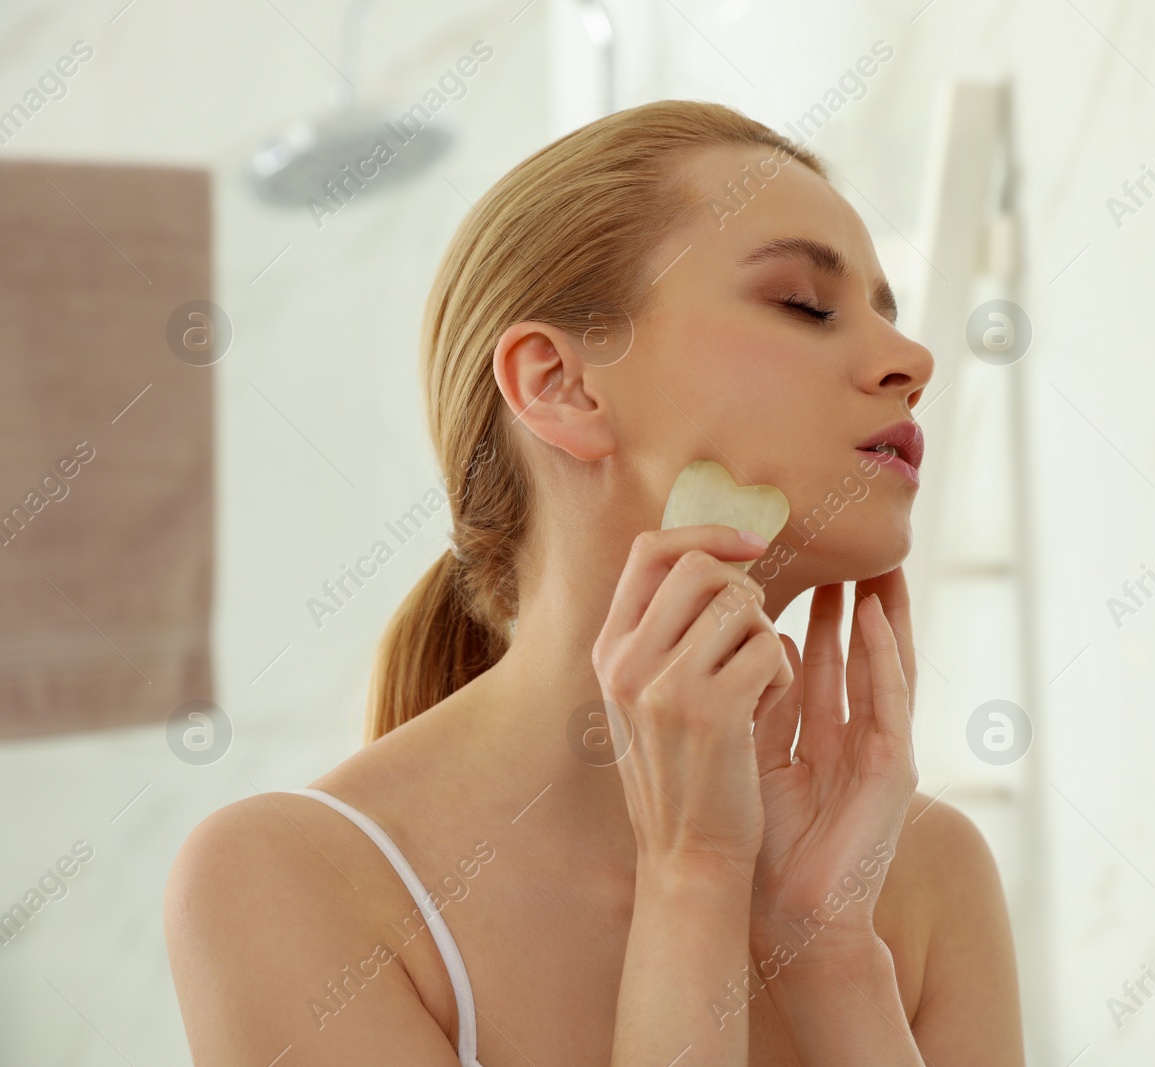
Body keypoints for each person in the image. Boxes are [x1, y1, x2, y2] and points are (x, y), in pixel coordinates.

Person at [164, 99, 1024, 1066]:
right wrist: (693, 875)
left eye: (885, 314)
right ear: (562, 385)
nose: (912, 361)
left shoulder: (928, 873)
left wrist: (823, 944)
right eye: (804, 305)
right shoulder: (292, 882)